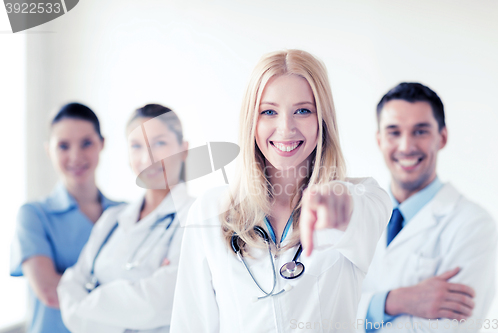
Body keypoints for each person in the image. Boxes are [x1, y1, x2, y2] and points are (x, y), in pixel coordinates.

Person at [170, 49, 392, 333]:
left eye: (303, 110)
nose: (285, 128)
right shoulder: (210, 210)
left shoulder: (364, 196)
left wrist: (337, 203)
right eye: (269, 111)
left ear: (322, 119)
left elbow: (358, 212)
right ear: (252, 120)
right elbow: (191, 323)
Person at [357, 82, 498, 332]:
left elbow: (451, 329)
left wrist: (364, 309)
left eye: (420, 131)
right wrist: (395, 301)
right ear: (379, 140)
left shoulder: (474, 224)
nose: (406, 146)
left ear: (442, 137)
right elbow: (324, 310)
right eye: (393, 132)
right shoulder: (355, 215)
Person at [57, 104, 194, 333]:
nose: (146, 157)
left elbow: (159, 303)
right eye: (136, 146)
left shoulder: (197, 218)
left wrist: (87, 305)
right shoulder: (112, 219)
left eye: (159, 143)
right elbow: (69, 285)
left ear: (184, 149)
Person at [10, 103, 122, 333]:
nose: (75, 156)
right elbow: (50, 292)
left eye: (86, 143)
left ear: (102, 143)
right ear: (48, 150)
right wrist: (123, 295)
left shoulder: (127, 215)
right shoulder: (33, 216)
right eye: (63, 146)